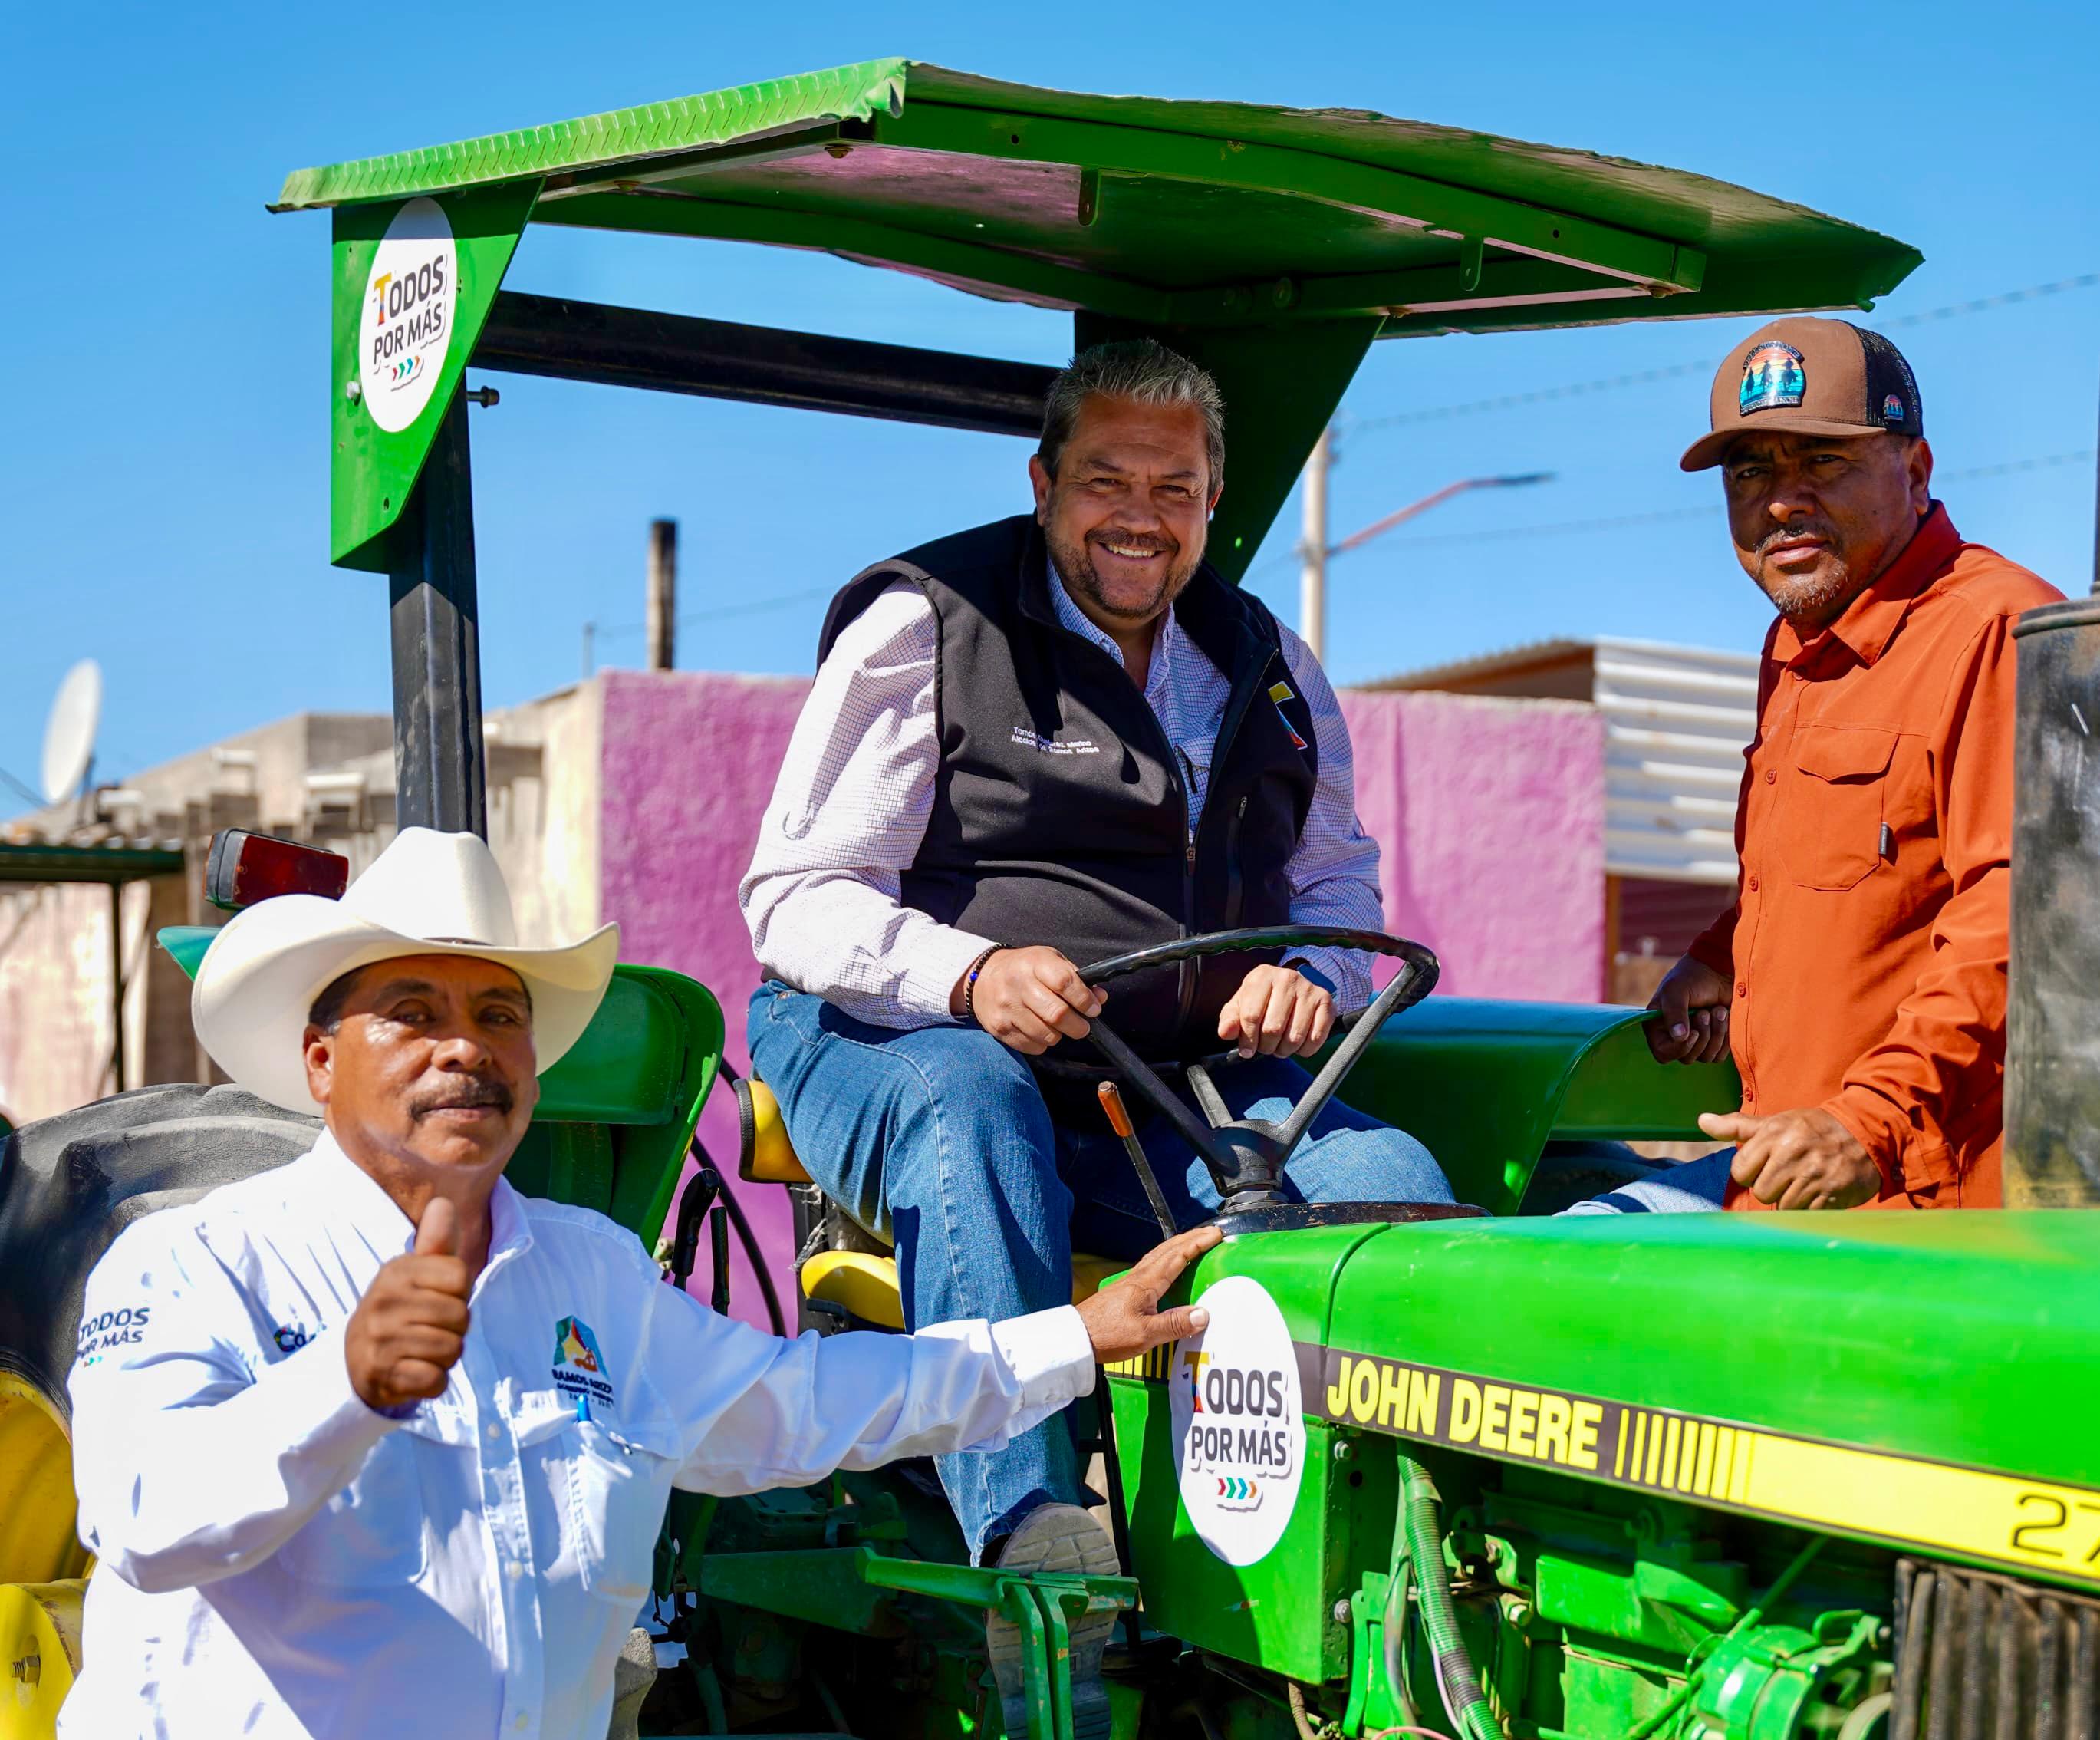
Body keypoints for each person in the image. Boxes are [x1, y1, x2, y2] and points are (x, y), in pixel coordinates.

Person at [63, 827, 1213, 1740]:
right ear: (320, 1065)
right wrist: (344, 1386)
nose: (464, 1048)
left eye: (496, 1016)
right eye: (412, 1015)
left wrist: (1071, 1337)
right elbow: (148, 1522)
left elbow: (796, 1402)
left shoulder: (589, 1272)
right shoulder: (192, 1263)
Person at [741, 338, 1449, 1576]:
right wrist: (968, 975)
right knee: (972, 1090)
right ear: (1042, 481)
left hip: (1153, 1075)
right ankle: (1028, 1528)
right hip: (887, 1042)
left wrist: (1311, 977)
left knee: (1384, 1168)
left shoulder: (1267, 662)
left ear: (1211, 502)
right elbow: (796, 900)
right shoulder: (929, 620)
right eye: (1105, 481)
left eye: (1172, 489)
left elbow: (1335, 881)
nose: (1139, 517)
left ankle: (1407, 1540)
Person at [1574, 317, 2062, 1214]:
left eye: (1822, 462)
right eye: (1750, 470)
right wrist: (1718, 957)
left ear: (1913, 471)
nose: (1780, 501)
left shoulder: (1994, 628)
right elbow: (1842, 870)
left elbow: (2021, 929)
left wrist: (1867, 1120)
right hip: (1780, 1179)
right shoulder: (1798, 641)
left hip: (1920, 1210)